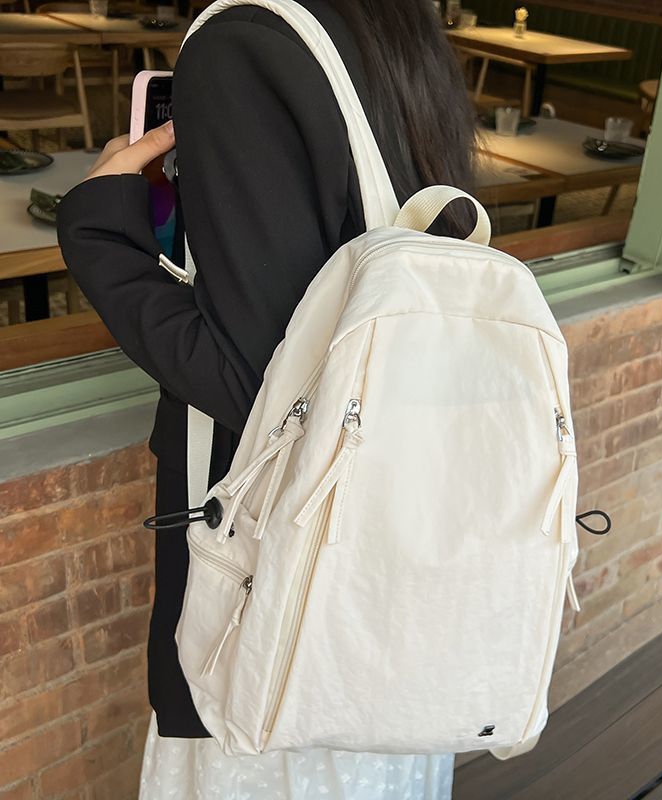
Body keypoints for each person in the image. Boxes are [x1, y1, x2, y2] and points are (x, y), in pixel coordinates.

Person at [57, 0, 476, 797]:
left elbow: (264, 395)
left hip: (276, 606)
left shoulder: (240, 44)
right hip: (392, 568)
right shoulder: (390, 24)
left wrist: (100, 230)